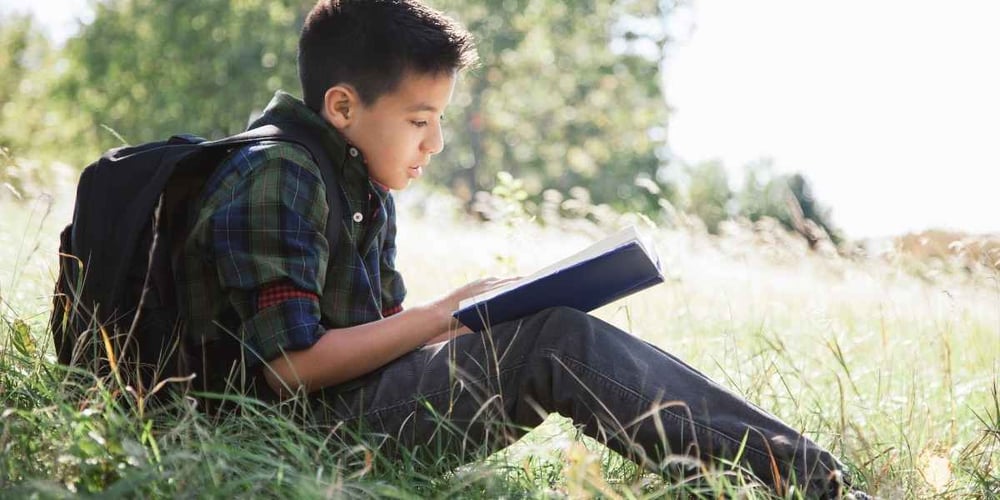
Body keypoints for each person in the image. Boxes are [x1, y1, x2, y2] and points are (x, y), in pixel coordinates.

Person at [176, 0, 868, 497]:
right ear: (343, 106)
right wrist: (443, 317)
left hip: (347, 412)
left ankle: (801, 474)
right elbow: (289, 370)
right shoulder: (281, 174)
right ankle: (814, 482)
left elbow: (373, 337)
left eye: (440, 120)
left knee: (539, 328)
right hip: (291, 440)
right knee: (553, 341)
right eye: (420, 120)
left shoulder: (358, 183)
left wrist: (491, 314)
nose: (435, 144)